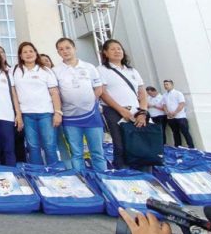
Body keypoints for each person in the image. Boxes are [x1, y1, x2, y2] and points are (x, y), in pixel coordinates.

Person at [53, 37, 107, 172]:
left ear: (74, 48)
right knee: (76, 154)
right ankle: (82, 181)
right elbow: (55, 93)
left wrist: (89, 102)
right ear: (58, 52)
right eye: (61, 49)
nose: (65, 51)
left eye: (67, 48)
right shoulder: (55, 71)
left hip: (91, 115)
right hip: (70, 118)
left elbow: (98, 88)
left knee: (97, 153)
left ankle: (103, 179)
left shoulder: (89, 67)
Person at [97, 39, 148, 170]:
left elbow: (142, 93)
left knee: (140, 143)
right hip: (114, 111)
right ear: (105, 53)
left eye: (119, 48)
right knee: (120, 145)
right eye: (113, 49)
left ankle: (143, 174)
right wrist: (121, 110)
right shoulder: (101, 70)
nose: (117, 51)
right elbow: (103, 93)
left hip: (136, 112)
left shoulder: (132, 71)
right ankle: (123, 173)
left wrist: (142, 112)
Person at [12, 41, 61, 165]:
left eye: (31, 51)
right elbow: (14, 94)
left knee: (49, 146)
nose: (28, 54)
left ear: (35, 53)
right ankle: (37, 175)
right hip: (27, 114)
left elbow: (54, 92)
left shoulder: (45, 70)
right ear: (20, 55)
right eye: (25, 52)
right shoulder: (15, 70)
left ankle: (54, 175)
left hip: (46, 114)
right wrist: (18, 114)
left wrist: (58, 113)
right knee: (33, 147)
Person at [163, 79, 195, 148]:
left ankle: (191, 146)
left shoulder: (178, 93)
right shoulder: (164, 95)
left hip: (180, 117)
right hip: (170, 117)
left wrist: (175, 112)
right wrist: (167, 112)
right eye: (164, 84)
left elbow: (181, 104)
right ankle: (178, 146)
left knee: (185, 132)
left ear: (172, 85)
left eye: (167, 84)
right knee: (175, 132)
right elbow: (164, 105)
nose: (165, 86)